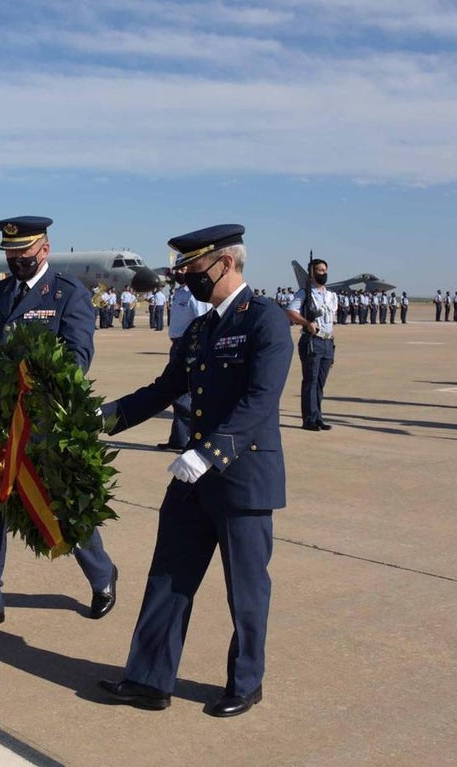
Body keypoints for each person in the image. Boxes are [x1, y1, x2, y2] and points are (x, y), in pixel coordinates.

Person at [96, 224, 292, 718]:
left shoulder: (264, 320)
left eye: (192, 267)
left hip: (241, 478)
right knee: (168, 577)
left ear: (224, 263)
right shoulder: (202, 328)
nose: (184, 277)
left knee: (245, 591)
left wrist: (209, 452)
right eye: (181, 268)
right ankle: (148, 680)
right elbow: (164, 389)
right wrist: (102, 418)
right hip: (192, 480)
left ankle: (246, 683)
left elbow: (260, 401)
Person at [0, 216, 117, 634]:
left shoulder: (68, 295)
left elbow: (77, 357)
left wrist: (38, 385)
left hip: (47, 420)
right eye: (10, 254)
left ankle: (102, 574)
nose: (16, 260)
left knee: (63, 507)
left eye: (24, 253)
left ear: (45, 249)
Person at [156, 274, 212, 450]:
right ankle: (179, 439)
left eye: (182, 268)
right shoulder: (180, 292)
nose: (177, 272)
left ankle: (189, 439)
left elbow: (204, 320)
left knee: (184, 395)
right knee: (177, 394)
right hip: (177, 345)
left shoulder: (196, 294)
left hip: (189, 345)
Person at [287, 259, 339, 430]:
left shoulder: (332, 296)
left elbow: (331, 319)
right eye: (319, 270)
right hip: (312, 341)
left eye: (324, 270)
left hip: (327, 342)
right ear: (311, 273)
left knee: (320, 382)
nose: (323, 273)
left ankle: (317, 417)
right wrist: (306, 323)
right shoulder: (304, 293)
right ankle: (308, 419)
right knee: (310, 380)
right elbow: (291, 312)